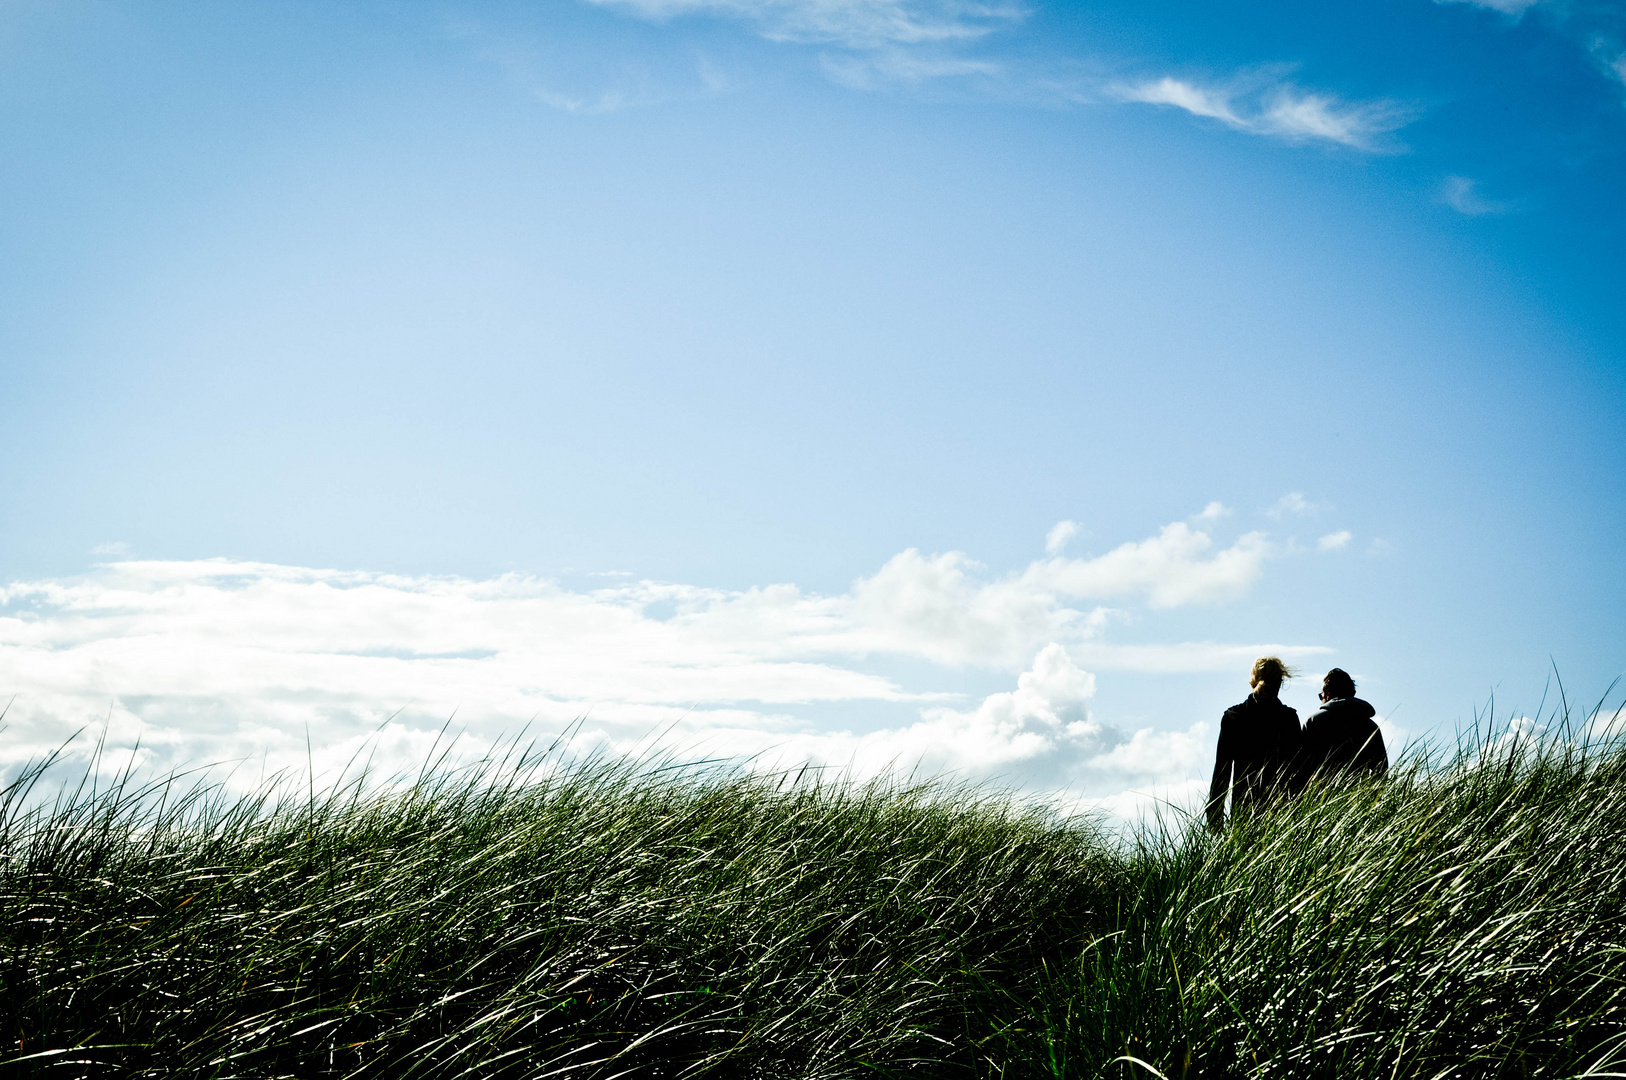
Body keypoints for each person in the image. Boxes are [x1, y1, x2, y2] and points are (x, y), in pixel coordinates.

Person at [1207, 657, 1302, 832]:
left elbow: (1222, 772)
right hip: (1283, 815)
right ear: (1279, 682)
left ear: (1253, 679)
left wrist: (1214, 817)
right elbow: (1298, 772)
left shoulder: (1234, 717)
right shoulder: (1288, 718)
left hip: (1243, 813)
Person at [1296, 668, 1387, 789]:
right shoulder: (1369, 726)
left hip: (1317, 800)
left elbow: (1300, 766)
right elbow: (1381, 769)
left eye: (1321, 696)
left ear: (1327, 694)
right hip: (1356, 801)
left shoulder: (1313, 721)